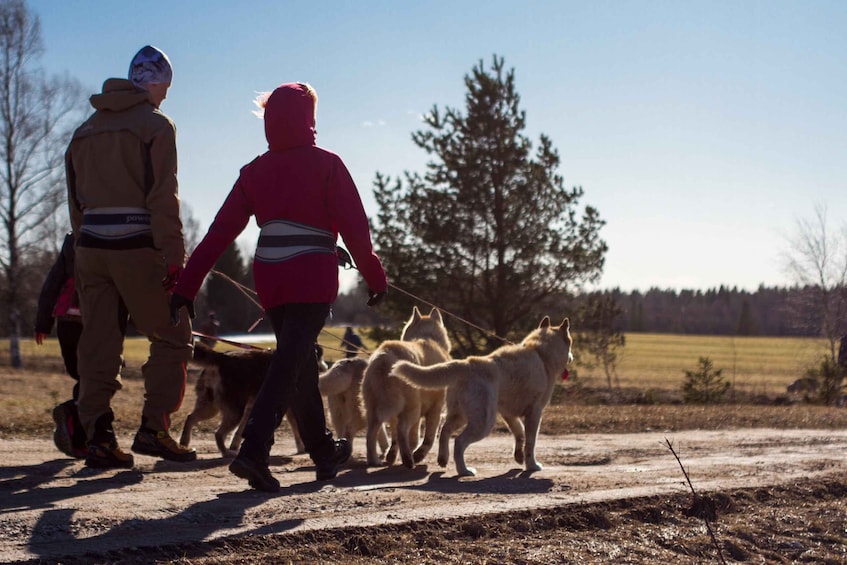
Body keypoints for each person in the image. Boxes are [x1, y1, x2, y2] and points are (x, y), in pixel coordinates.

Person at [170, 82, 387, 492]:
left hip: (270, 276)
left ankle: (324, 452)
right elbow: (358, 232)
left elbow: (218, 235)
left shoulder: (254, 171)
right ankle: (254, 449)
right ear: (309, 119)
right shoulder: (328, 165)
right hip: (311, 279)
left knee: (299, 359)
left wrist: (186, 286)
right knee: (289, 361)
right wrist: (375, 278)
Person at [65, 45, 195, 469]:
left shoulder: (84, 130)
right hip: (137, 247)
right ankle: (154, 429)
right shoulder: (156, 125)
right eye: (166, 88)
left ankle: (98, 436)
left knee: (98, 342)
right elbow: (163, 198)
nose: (166, 96)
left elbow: (74, 202)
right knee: (173, 334)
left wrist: (84, 245)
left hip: (90, 250)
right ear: (155, 84)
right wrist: (175, 260)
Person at [34, 232, 86, 458]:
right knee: (96, 377)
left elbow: (52, 283)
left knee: (85, 377)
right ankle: (74, 419)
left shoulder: (72, 240)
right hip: (92, 321)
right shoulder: (114, 239)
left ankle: (76, 427)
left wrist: (43, 323)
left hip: (66, 320)